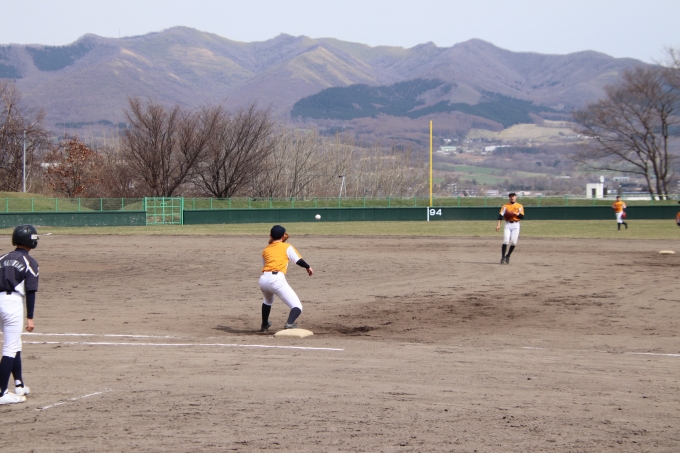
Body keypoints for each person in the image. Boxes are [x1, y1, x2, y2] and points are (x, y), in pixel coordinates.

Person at [0, 225, 39, 405]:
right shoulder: (30, 262)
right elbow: (31, 291)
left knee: (15, 343)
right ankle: (1, 393)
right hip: (12, 304)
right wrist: (30, 317)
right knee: (10, 347)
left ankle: (19, 384)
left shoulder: (2, 258)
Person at [259, 225, 313, 332]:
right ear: (284, 236)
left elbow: (265, 265)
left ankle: (264, 324)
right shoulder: (287, 247)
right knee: (297, 306)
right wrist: (308, 267)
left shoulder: (266, 250)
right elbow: (298, 260)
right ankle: (289, 323)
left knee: (268, 301)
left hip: (264, 280)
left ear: (270, 235)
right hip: (277, 280)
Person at [496, 192, 524, 265]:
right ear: (509, 198)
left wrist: (517, 214)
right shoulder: (505, 206)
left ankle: (508, 255)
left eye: (513, 196)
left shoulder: (520, 206)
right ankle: (503, 257)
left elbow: (522, 217)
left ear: (516, 197)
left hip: (516, 225)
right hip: (507, 224)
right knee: (505, 241)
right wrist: (498, 225)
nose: (512, 197)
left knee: (514, 242)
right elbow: (500, 216)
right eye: (511, 196)